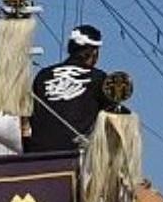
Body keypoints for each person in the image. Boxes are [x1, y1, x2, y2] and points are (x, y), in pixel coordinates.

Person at [26, 24, 113, 153]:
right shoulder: (99, 78)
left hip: (38, 151)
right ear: (94, 52)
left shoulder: (43, 75)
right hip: (76, 152)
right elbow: (111, 118)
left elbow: (30, 115)